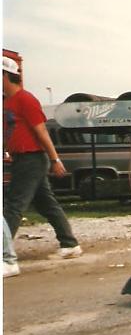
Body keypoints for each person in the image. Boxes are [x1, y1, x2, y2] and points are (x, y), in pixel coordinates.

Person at [2, 56, 82, 259]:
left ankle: (4, 255)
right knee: (46, 203)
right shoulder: (7, 102)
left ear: (5, 75)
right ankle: (70, 244)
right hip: (21, 158)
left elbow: (42, 132)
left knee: (13, 205)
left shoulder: (25, 99)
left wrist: (55, 159)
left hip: (32, 159)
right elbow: (9, 132)